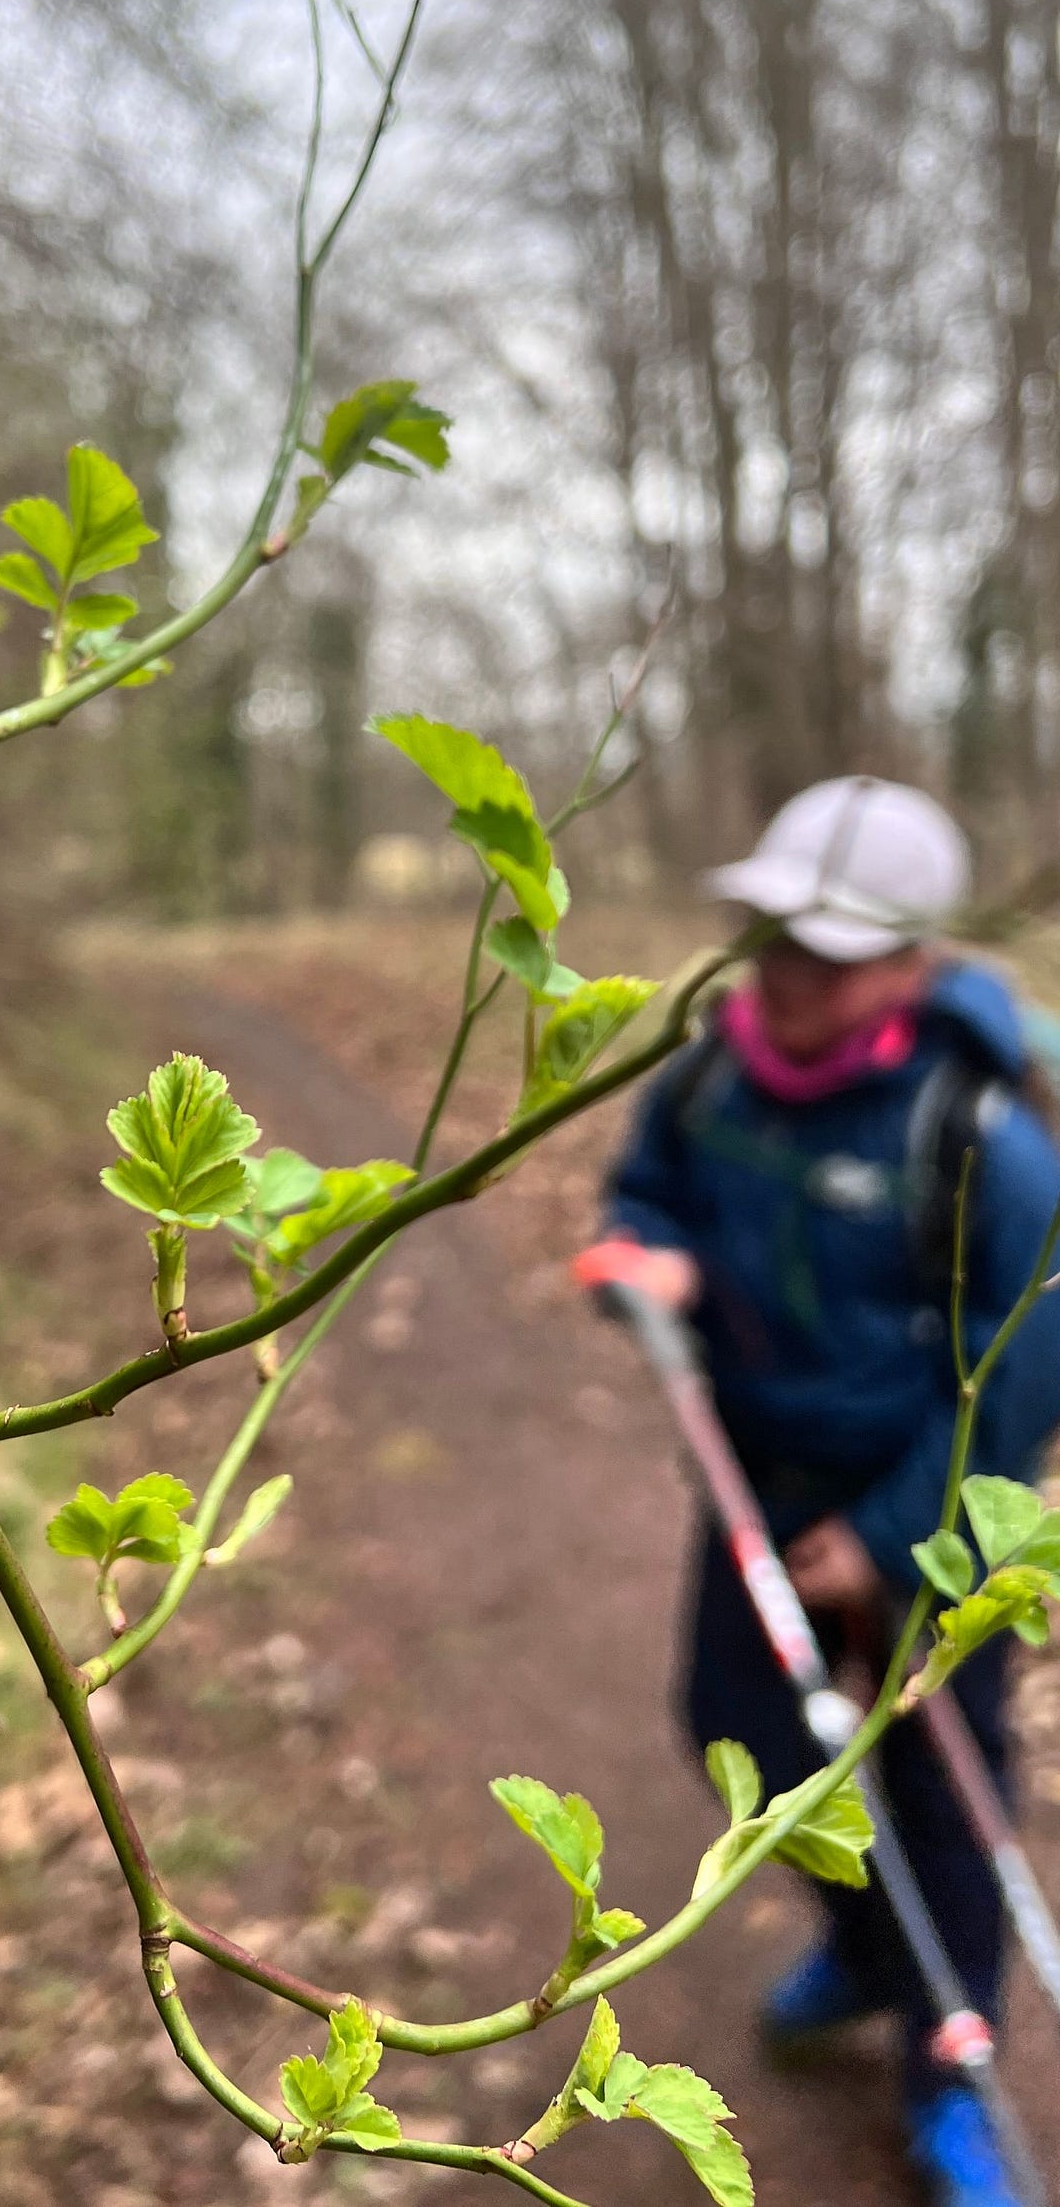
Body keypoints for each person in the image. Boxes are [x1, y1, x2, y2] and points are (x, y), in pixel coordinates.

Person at [573, 776, 1060, 2207]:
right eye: (772, 936)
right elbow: (644, 1188)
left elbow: (1025, 1369)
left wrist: (898, 1538)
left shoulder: (980, 1133)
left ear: (913, 959)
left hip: (929, 1515)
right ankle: (861, 1948)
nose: (788, 974)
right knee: (734, 1723)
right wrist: (636, 1254)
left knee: (937, 1793)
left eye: (832, 953)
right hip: (752, 1487)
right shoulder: (710, 1074)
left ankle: (949, 2076)